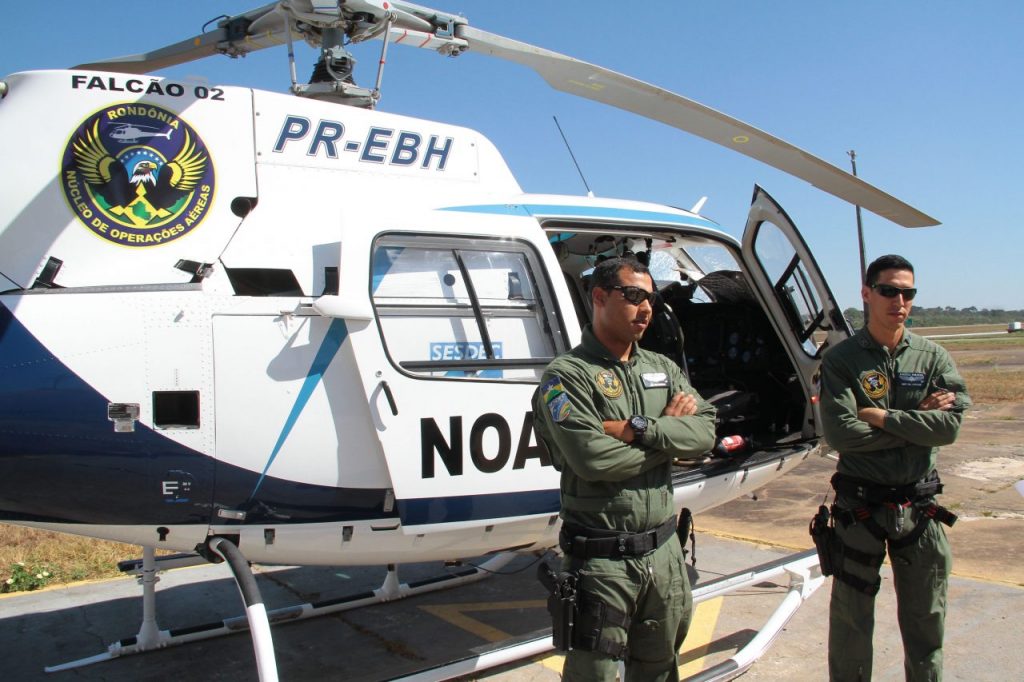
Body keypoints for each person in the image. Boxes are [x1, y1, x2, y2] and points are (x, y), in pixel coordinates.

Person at [533, 257, 716, 681]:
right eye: (634, 296)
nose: (646, 308)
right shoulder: (567, 377)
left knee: (660, 668)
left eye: (650, 298)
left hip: (665, 554)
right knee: (593, 673)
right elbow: (594, 460)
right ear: (599, 297)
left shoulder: (662, 368)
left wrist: (640, 428)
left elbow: (705, 432)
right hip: (602, 563)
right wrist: (668, 441)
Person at [819, 254, 970, 681]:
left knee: (927, 621)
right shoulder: (842, 360)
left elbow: (949, 428)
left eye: (907, 293)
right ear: (867, 294)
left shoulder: (932, 357)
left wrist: (883, 417)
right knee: (850, 623)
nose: (899, 301)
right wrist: (919, 423)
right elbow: (842, 434)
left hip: (919, 508)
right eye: (888, 291)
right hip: (860, 508)